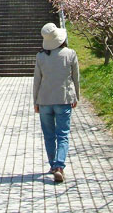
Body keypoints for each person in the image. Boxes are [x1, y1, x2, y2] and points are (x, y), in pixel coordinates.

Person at [33, 22, 80, 183]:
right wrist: (76, 96)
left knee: (49, 135)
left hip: (45, 100)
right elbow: (76, 78)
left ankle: (53, 165)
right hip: (64, 99)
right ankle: (59, 166)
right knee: (63, 135)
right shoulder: (70, 54)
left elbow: (37, 81)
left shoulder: (40, 56)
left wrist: (35, 101)